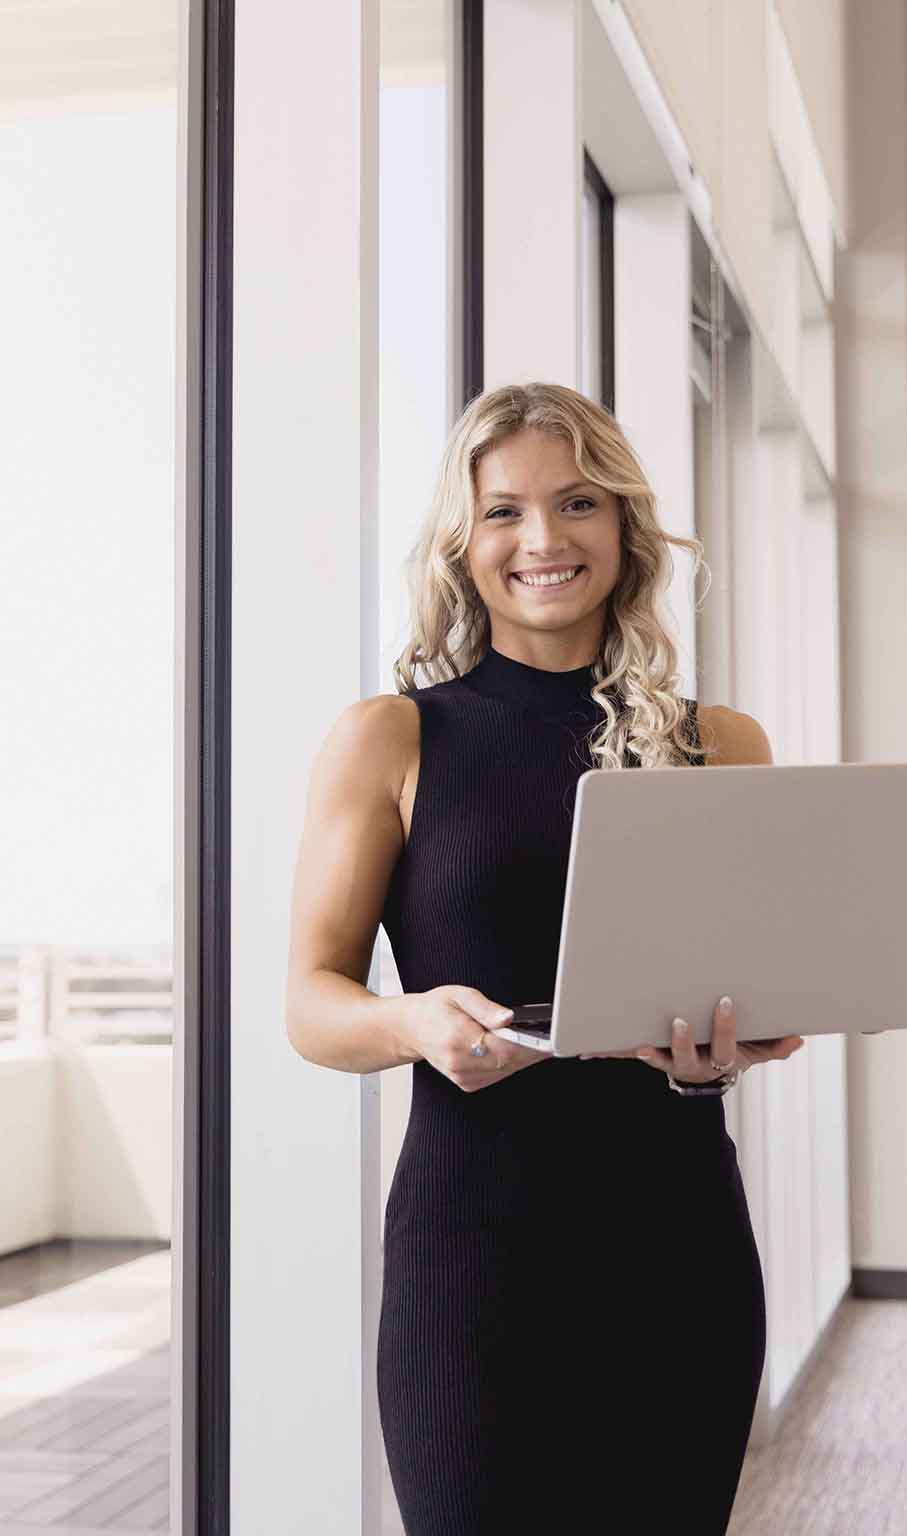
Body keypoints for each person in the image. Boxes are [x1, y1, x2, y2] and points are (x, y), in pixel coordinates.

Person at [285, 381, 805, 1534]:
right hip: (471, 1259)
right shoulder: (390, 738)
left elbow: (740, 978)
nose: (543, 540)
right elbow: (310, 1003)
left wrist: (724, 1049)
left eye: (576, 503)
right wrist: (415, 1023)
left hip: (676, 1250)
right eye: (504, 511)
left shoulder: (720, 745)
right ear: (461, 543)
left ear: (622, 526)